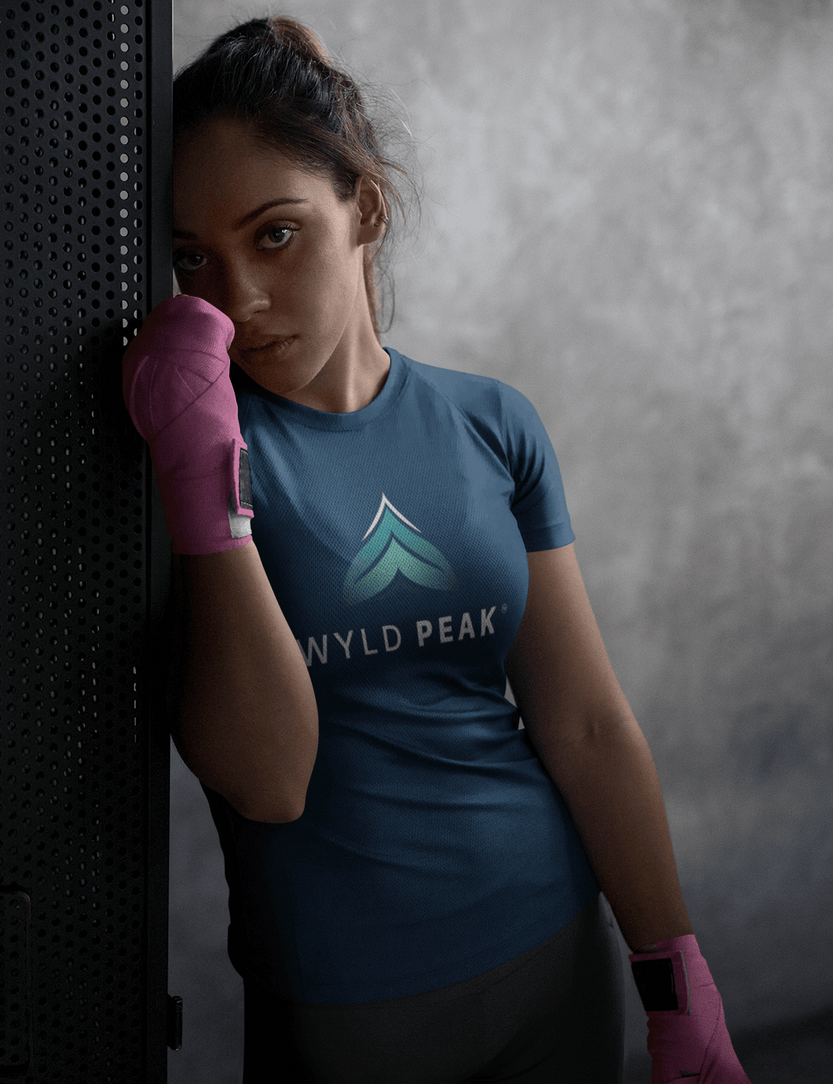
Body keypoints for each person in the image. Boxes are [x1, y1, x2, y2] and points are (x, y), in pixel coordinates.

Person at [122, 17, 752, 1084]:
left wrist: (674, 971)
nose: (238, 301)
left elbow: (584, 723)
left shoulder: (488, 422)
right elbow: (266, 778)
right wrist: (198, 477)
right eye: (194, 259)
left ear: (361, 207)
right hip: (347, 1006)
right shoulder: (195, 447)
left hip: (555, 946)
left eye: (273, 234)